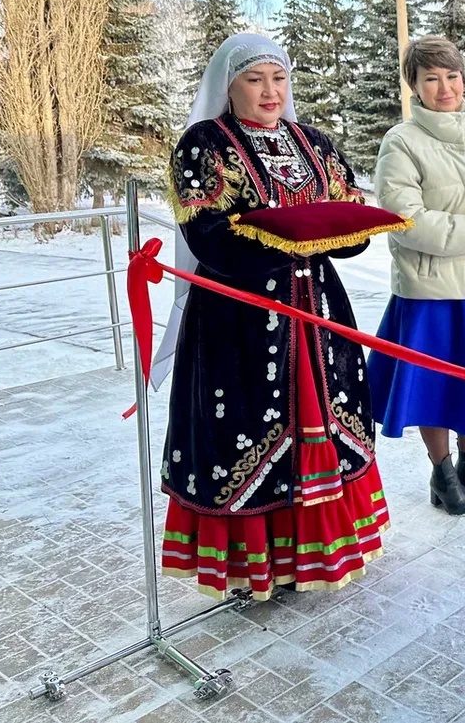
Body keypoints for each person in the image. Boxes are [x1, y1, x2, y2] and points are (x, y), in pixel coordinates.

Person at [159, 34, 389, 600]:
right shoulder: (204, 144)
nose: (269, 91)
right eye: (255, 79)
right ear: (228, 86)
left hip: (317, 312)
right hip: (239, 316)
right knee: (248, 432)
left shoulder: (314, 142)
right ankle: (252, 565)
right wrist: (291, 234)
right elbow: (208, 236)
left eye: (278, 78)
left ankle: (316, 552)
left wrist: (334, 230)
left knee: (327, 423)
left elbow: (350, 224)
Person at [367, 36, 465, 516]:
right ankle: (442, 472)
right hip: (430, 289)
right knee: (434, 387)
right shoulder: (402, 142)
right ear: (414, 86)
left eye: (452, 76)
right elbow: (404, 218)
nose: (444, 88)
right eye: (431, 78)